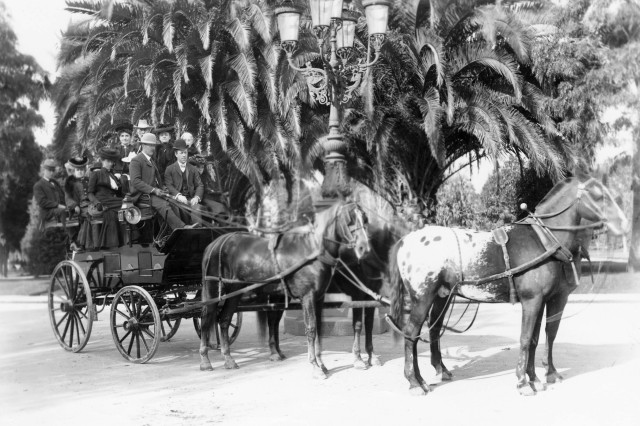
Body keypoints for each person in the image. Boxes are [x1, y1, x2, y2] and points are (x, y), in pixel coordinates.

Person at [129, 133, 192, 231]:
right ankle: (182, 228)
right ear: (143, 145)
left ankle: (170, 233)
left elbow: (157, 180)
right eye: (150, 145)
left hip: (154, 193)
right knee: (163, 204)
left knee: (174, 203)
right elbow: (135, 181)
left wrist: (163, 189)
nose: (153, 148)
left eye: (153, 145)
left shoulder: (151, 161)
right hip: (142, 195)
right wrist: (154, 190)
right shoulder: (136, 161)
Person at [88, 148, 124, 248]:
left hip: (112, 200)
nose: (110, 163)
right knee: (125, 204)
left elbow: (118, 191)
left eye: (111, 161)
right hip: (102, 200)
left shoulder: (113, 175)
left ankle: (126, 239)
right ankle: (112, 241)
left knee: (127, 203)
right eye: (107, 161)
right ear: (102, 161)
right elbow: (90, 193)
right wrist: (96, 203)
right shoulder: (96, 173)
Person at [165, 139, 203, 225]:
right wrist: (178, 195)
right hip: (177, 200)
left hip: (191, 199)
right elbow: (169, 185)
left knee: (197, 209)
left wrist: (196, 197)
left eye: (185, 152)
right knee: (178, 209)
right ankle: (182, 231)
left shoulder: (193, 169)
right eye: (181, 153)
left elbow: (200, 185)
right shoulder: (170, 169)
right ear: (176, 154)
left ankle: (198, 232)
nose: (184, 155)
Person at [64, 156, 92, 251]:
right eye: (77, 170)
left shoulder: (89, 180)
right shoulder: (70, 183)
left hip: (91, 204)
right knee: (87, 215)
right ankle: (81, 242)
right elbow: (68, 198)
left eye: (82, 169)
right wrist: (74, 205)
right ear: (74, 171)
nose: (80, 172)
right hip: (79, 206)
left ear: (85, 170)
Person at [33, 159, 67, 228]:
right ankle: (65, 229)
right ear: (44, 170)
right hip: (47, 213)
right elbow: (42, 202)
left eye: (53, 170)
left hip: (59, 212)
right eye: (49, 170)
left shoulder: (55, 182)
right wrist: (58, 205)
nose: (51, 173)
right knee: (63, 211)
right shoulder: (38, 185)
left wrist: (67, 204)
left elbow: (62, 195)